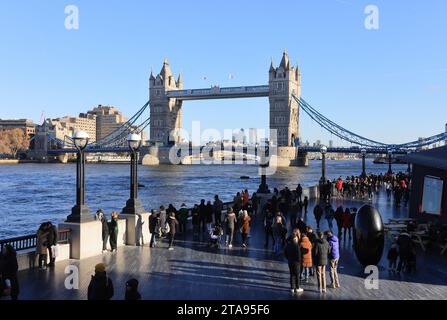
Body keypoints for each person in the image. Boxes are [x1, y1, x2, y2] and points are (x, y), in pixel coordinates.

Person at [284, 229, 304, 294]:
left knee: (292, 275)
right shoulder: (297, 246)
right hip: (296, 263)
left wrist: (289, 258)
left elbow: (285, 253)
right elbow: (298, 256)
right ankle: (297, 287)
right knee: (297, 275)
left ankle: (292, 288)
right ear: (295, 239)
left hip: (290, 261)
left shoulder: (288, 245)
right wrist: (299, 261)